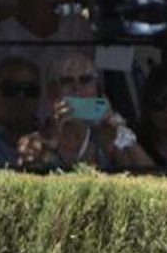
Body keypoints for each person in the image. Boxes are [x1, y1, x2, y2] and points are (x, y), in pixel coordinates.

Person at [18, 52, 151, 169]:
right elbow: (29, 181)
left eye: (85, 80)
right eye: (66, 81)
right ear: (52, 92)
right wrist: (53, 139)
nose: (77, 87)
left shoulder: (105, 137)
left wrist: (119, 130)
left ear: (97, 90)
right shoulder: (32, 141)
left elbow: (151, 177)